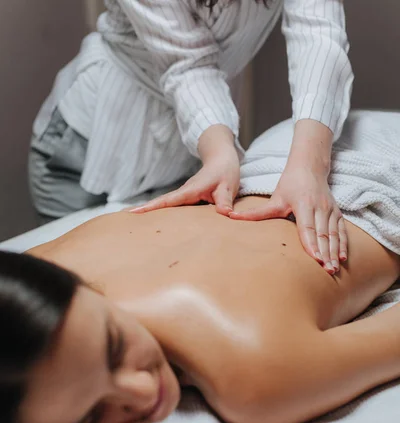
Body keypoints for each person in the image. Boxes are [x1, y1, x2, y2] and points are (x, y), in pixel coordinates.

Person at [3, 109, 400, 423]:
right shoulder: (33, 269)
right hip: (287, 145)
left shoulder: (254, 376)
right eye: (89, 418)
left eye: (114, 345)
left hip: (350, 168)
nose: (143, 391)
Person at [29, 0, 353, 273]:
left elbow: (318, 32)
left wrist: (310, 166)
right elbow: (187, 62)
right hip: (84, 149)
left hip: (191, 148)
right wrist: (220, 152)